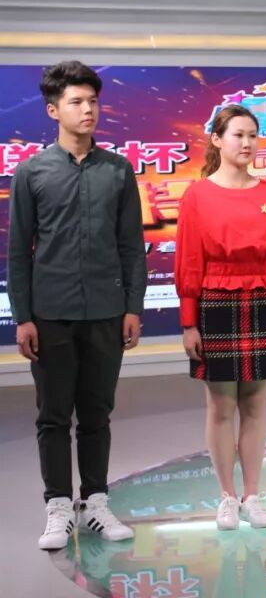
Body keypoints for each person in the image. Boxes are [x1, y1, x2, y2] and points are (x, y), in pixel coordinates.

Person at [8, 61, 146, 549]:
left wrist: (132, 306)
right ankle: (58, 507)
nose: (88, 109)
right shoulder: (32, 172)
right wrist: (23, 317)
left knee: (96, 413)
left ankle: (96, 503)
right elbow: (19, 250)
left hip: (107, 311)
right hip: (51, 313)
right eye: (76, 102)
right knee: (52, 416)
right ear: (53, 110)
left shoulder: (118, 170)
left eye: (92, 101)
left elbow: (131, 245)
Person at [175, 105, 266, 530]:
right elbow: (189, 261)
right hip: (215, 303)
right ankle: (226, 496)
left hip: (264, 302)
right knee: (221, 404)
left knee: (256, 403)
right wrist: (189, 322)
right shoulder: (197, 195)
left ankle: (252, 495)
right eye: (237, 135)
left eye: (252, 136)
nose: (247, 143)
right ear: (217, 139)